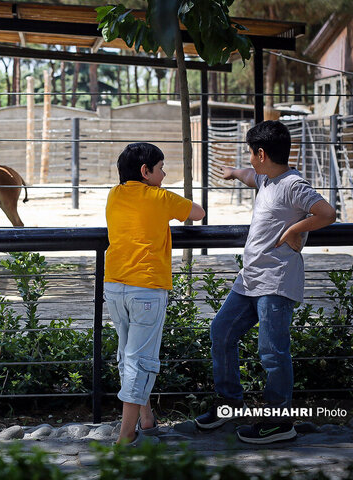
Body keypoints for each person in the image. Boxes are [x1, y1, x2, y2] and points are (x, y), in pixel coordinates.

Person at [194, 120, 336, 444]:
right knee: (221, 331)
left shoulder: (292, 184)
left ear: (261, 153)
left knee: (272, 351)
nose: (250, 161)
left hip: (276, 281)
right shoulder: (264, 177)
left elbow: (327, 213)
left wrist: (295, 230)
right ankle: (230, 403)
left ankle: (279, 421)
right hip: (250, 280)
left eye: (250, 154)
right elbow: (248, 175)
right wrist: (232, 171)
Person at [105, 142, 205, 445]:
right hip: (147, 288)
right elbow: (198, 213)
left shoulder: (114, 194)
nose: (164, 174)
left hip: (114, 285)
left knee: (129, 357)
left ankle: (146, 420)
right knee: (141, 361)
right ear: (145, 171)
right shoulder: (161, 198)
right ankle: (127, 437)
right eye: (160, 168)